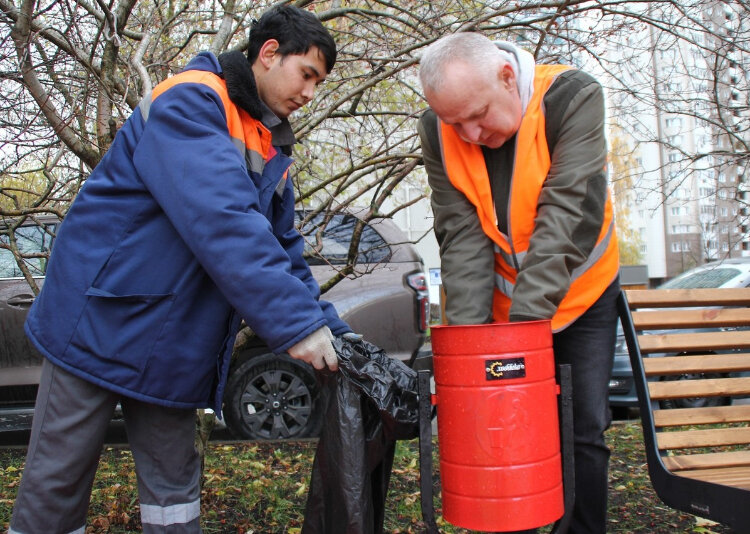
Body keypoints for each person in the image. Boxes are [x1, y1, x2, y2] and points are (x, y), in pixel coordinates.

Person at [10, 6, 350, 534]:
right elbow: (223, 219)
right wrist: (298, 326)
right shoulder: (192, 99)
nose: (310, 93)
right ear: (267, 53)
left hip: (170, 338)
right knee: (58, 478)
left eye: (319, 83)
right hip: (97, 320)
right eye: (306, 74)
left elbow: (280, 250)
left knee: (174, 490)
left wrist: (333, 331)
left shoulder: (267, 138)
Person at [418, 33, 620, 534]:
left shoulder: (572, 98)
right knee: (499, 425)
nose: (468, 133)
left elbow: (567, 216)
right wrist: (471, 351)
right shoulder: (439, 130)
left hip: (581, 295)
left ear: (507, 77)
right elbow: (461, 239)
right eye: (453, 122)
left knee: (581, 429)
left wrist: (521, 342)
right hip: (508, 311)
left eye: (478, 114)